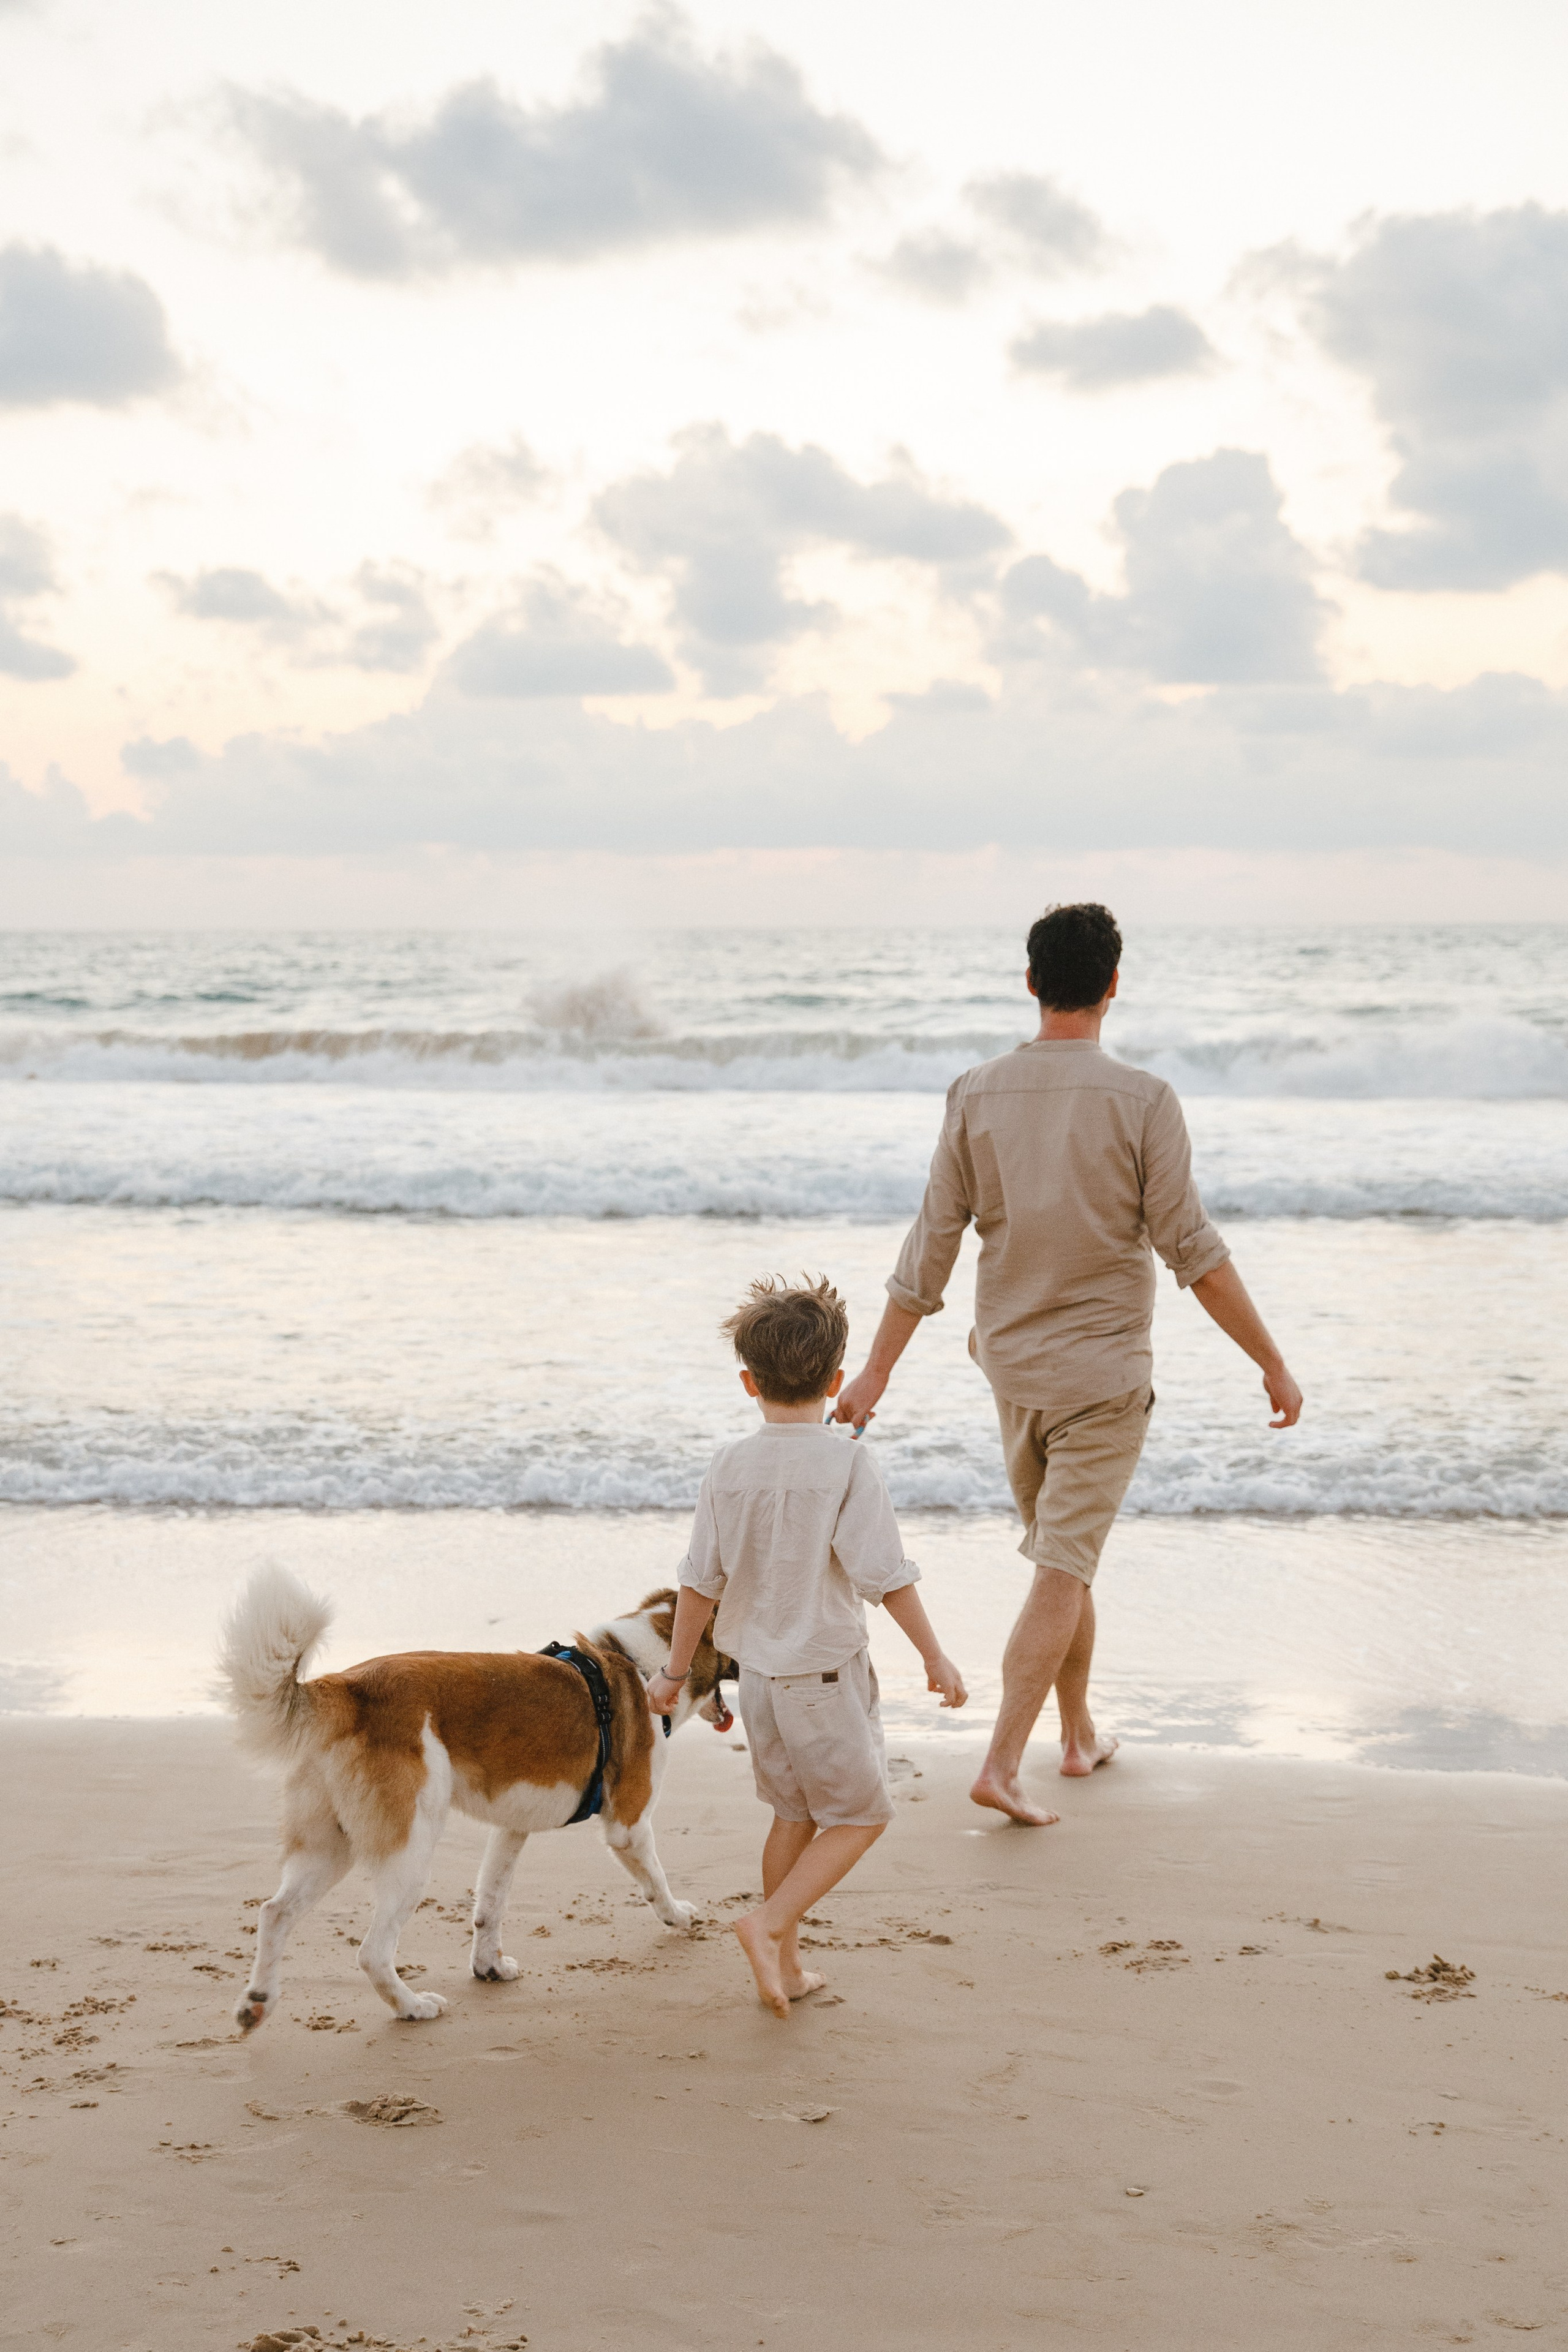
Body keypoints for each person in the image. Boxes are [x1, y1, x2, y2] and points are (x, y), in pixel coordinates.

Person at [835, 903, 1303, 1827]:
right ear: (1113, 985)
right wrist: (1272, 1363)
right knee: (1062, 1566)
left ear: (1031, 982)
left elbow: (930, 1246)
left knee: (1065, 1558)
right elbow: (1194, 1253)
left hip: (1012, 1373)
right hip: (1103, 1379)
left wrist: (875, 1373)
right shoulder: (1144, 1100)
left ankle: (1078, 1734)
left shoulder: (975, 1092)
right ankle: (1002, 1763)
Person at [648, 1275, 967, 2018]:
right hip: (821, 1678)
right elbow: (883, 1576)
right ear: (835, 1377)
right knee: (860, 1816)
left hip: (757, 1678)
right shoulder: (847, 1463)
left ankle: (784, 1966)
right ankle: (769, 1926)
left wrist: (672, 1672)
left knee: (792, 1815)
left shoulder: (728, 1465)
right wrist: (934, 1655)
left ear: (747, 1380)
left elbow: (700, 1581)